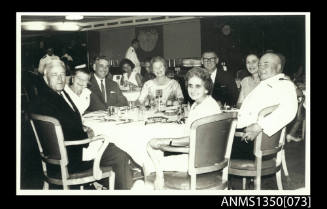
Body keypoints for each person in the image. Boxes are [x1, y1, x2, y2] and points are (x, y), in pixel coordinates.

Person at [28, 59, 133, 189]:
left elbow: (64, 125)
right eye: (54, 75)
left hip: (57, 159)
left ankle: (112, 186)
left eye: (62, 74)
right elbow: (73, 135)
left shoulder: (49, 96)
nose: (60, 78)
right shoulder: (52, 100)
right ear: (45, 77)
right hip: (71, 161)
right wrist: (88, 133)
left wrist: (81, 128)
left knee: (112, 151)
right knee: (119, 154)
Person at [146, 67, 222, 189]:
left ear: (206, 88)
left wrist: (167, 141)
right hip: (206, 159)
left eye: (198, 86)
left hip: (198, 162)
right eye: (190, 85)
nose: (193, 90)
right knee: (156, 156)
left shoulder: (206, 107)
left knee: (149, 163)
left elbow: (194, 139)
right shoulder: (201, 103)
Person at [231, 53, 298, 160]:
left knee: (209, 145)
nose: (261, 68)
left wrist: (259, 126)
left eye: (266, 64)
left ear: (278, 67)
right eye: (260, 65)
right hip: (244, 136)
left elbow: (289, 110)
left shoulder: (284, 84)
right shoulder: (265, 84)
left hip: (254, 142)